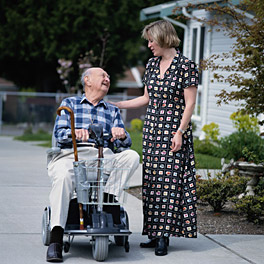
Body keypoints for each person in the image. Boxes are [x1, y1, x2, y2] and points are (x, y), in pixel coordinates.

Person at [112, 20, 198, 256]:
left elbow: (190, 104)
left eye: (151, 40)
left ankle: (164, 237)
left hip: (173, 133)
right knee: (152, 185)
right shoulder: (151, 64)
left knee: (169, 184)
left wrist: (180, 131)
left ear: (163, 38)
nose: (149, 45)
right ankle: (153, 232)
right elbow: (145, 98)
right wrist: (116, 104)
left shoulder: (186, 66)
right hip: (152, 132)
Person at [46, 67, 139, 262]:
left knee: (132, 156)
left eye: (108, 76)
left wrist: (121, 134)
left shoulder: (112, 110)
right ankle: (56, 238)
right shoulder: (69, 104)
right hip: (72, 156)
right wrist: (75, 132)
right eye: (103, 76)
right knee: (63, 176)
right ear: (87, 80)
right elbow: (59, 134)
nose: (108, 78)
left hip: (103, 156)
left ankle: (108, 199)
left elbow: (124, 143)